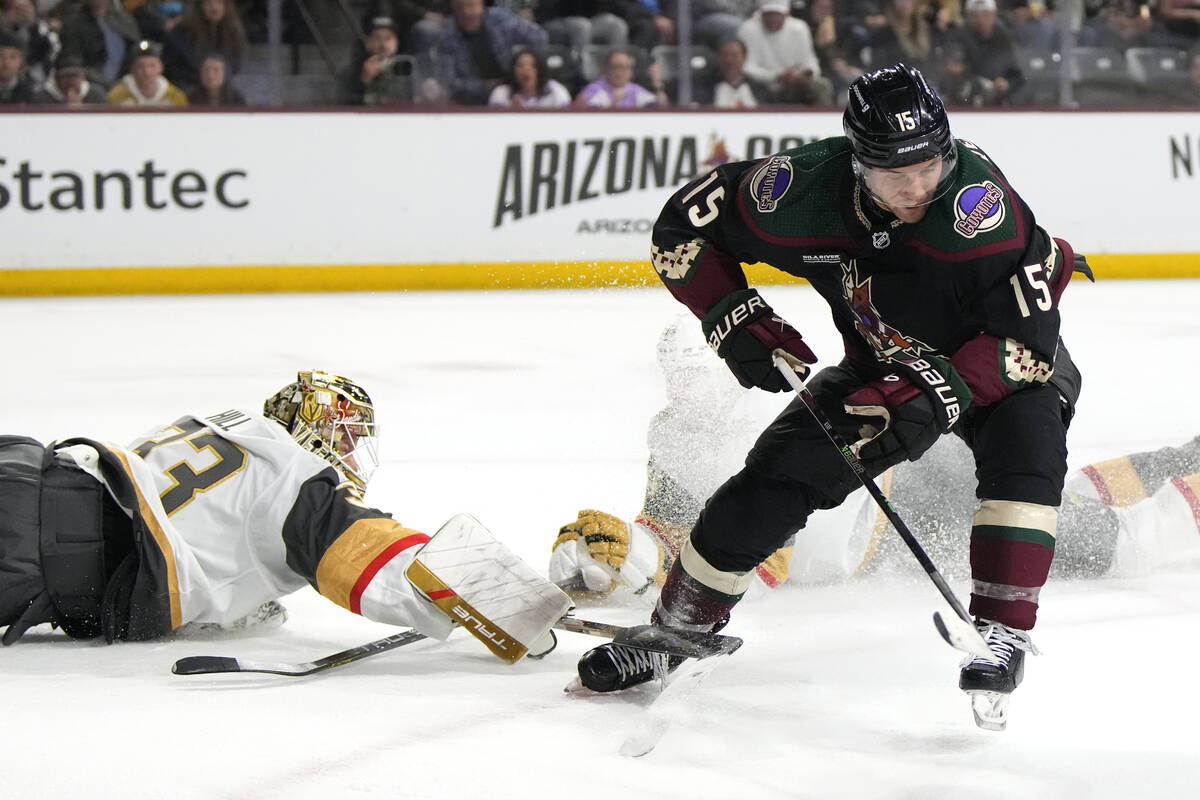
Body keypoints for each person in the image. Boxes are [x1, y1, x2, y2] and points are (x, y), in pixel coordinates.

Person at [573, 63, 1093, 732]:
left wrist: (933, 393)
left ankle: (1003, 633)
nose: (917, 188)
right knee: (769, 483)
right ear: (857, 163)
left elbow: (1030, 345)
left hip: (997, 363)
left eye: (930, 166)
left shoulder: (978, 208)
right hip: (879, 363)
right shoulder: (797, 190)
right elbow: (681, 228)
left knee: (1029, 446)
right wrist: (733, 314)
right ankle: (675, 632)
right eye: (895, 175)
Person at [552, 316, 1200, 604]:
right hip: (892, 516)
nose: (686, 390)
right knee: (1067, 500)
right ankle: (1184, 458)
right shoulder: (677, 433)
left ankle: (1186, 481)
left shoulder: (751, 414)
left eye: (698, 376)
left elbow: (760, 552)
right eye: (680, 379)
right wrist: (618, 552)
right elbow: (671, 522)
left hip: (918, 498)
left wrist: (643, 567)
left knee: (1118, 544)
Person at [0, 370, 566, 658]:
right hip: (37, 551)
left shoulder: (224, 425)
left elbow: (181, 526)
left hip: (29, 469)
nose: (346, 460)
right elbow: (388, 567)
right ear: (318, 433)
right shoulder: (296, 483)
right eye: (345, 441)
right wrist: (519, 608)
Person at [430, 0, 547, 105]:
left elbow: (539, 37)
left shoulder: (498, 18)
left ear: (481, 4)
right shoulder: (446, 35)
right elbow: (448, 83)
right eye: (460, 7)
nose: (466, 12)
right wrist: (484, 87)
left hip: (513, 86)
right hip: (474, 100)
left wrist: (520, 62)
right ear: (453, 9)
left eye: (471, 5)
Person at [736, 0, 833, 104]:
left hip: (794, 83)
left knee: (822, 86)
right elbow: (745, 68)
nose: (773, 19)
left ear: (787, 13)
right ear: (761, 13)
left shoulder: (799, 28)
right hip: (763, 85)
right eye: (769, 14)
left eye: (777, 14)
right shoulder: (748, 29)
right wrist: (776, 76)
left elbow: (809, 61)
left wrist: (807, 73)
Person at [162, 0, 248, 90]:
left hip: (219, 86)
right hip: (186, 86)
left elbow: (235, 63)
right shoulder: (183, 32)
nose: (214, 8)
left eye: (219, 3)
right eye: (208, 3)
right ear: (200, 7)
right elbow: (173, 67)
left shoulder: (232, 31)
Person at [341, 15, 414, 105]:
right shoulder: (350, 73)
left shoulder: (408, 69)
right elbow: (343, 107)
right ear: (368, 43)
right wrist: (364, 80)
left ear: (397, 42)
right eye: (377, 38)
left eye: (388, 38)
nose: (383, 44)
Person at [573, 45, 665, 107]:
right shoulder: (595, 89)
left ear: (630, 71)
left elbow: (661, 108)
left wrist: (657, 85)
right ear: (606, 69)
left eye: (624, 67)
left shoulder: (635, 90)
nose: (619, 72)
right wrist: (614, 106)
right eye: (615, 67)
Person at [107, 38, 187, 104]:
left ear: (161, 67)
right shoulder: (117, 96)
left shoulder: (175, 97)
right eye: (140, 66)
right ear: (132, 69)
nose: (146, 72)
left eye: (152, 66)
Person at [488, 46, 571, 107]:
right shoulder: (501, 93)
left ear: (540, 69)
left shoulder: (554, 90)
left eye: (532, 66)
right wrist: (510, 112)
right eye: (520, 65)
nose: (526, 70)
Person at [711, 35, 772, 107]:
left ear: (745, 58)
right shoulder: (706, 87)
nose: (729, 61)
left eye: (734, 55)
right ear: (718, 57)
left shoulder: (760, 90)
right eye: (725, 55)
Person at [33, 49, 109, 104]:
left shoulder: (95, 95)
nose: (71, 81)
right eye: (66, 76)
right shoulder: (42, 98)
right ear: (57, 79)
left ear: (83, 77)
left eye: (75, 76)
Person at [0, 28, 36, 102]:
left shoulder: (31, 92)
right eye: (1, 56)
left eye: (13, 57)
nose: (6, 62)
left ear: (21, 61)